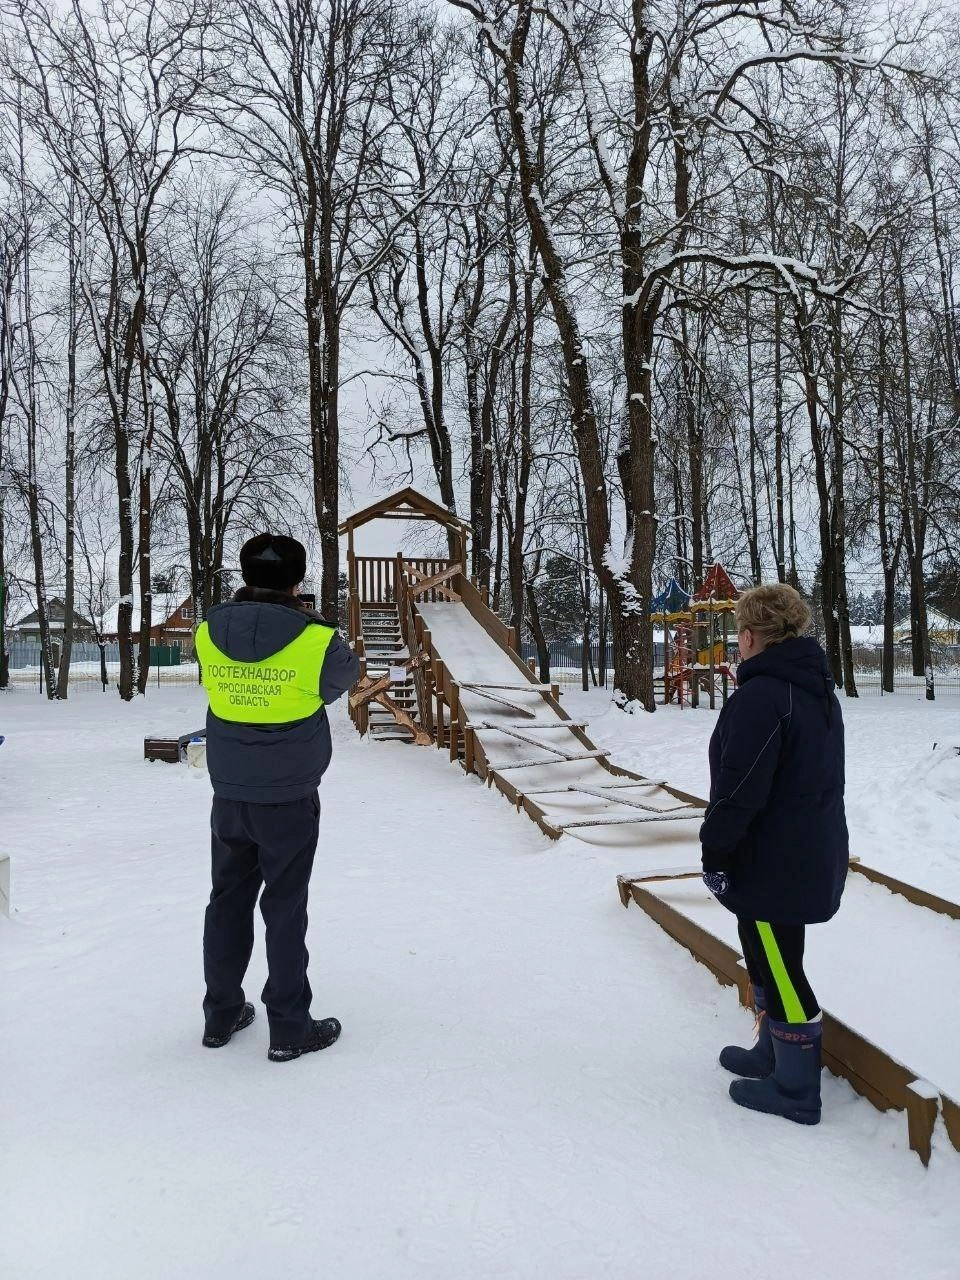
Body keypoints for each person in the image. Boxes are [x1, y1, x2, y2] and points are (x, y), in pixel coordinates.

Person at [194, 534, 360, 1063]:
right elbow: (343, 680)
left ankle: (221, 1014)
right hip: (288, 795)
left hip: (229, 794)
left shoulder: (207, 630)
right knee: (285, 906)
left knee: (227, 900)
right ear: (297, 580)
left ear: (245, 573)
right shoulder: (318, 640)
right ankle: (289, 1026)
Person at [699, 584, 847, 1125]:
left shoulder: (764, 697)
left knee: (781, 969)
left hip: (770, 863)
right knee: (769, 956)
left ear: (749, 636)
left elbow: (740, 790)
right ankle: (773, 1049)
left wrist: (715, 850)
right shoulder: (812, 691)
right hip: (800, 856)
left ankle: (797, 1088)